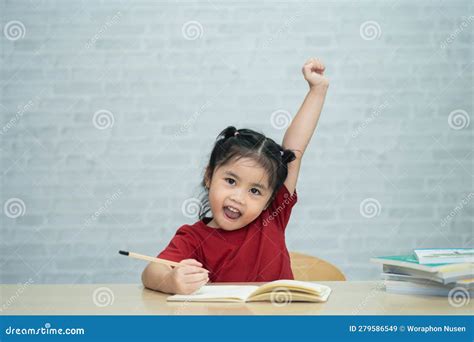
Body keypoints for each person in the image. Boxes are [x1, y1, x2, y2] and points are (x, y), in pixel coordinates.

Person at [142, 58, 329, 294]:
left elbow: (295, 151)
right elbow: (151, 273)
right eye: (230, 181)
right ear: (209, 176)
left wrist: (317, 90)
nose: (239, 197)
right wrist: (171, 280)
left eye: (255, 191)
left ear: (269, 201)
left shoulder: (272, 216)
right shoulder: (192, 238)